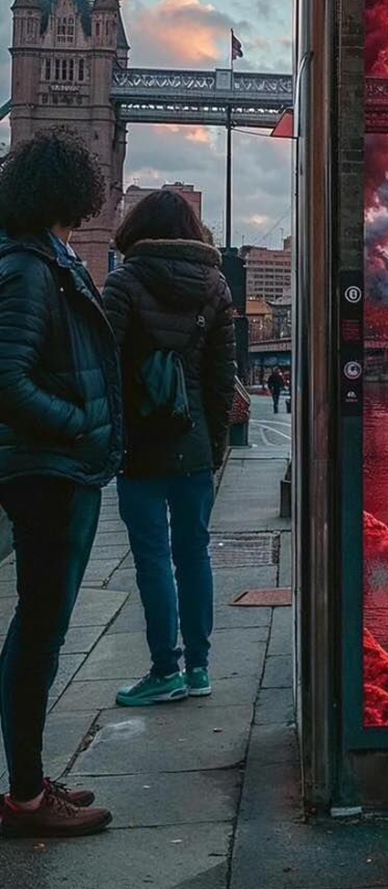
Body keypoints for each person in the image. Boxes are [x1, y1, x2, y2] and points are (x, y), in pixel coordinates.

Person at [0, 132, 123, 838]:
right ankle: (24, 796)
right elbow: (5, 378)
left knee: (42, 630)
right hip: (49, 472)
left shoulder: (47, 258)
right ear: (70, 192)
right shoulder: (28, 268)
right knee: (39, 633)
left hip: (61, 469)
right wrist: (75, 424)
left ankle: (29, 780)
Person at [104, 189, 236, 707]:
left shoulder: (123, 282)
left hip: (140, 442)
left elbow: (105, 367)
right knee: (194, 552)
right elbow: (222, 380)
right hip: (194, 439)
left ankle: (165, 670)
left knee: (152, 557)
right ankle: (199, 668)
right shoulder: (216, 287)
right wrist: (216, 444)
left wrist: (112, 437)